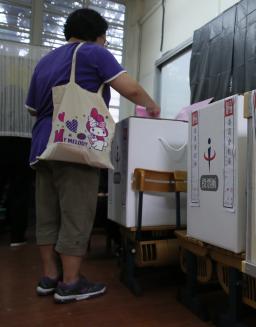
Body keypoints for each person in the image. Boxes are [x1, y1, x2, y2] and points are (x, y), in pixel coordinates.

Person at [26, 8, 160, 303]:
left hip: (43, 145)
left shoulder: (46, 61)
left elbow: (34, 109)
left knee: (47, 215)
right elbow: (131, 89)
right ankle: (71, 283)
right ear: (97, 35)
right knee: (76, 214)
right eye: (105, 37)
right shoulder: (93, 53)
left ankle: (50, 277)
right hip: (75, 145)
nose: (105, 43)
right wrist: (152, 106)